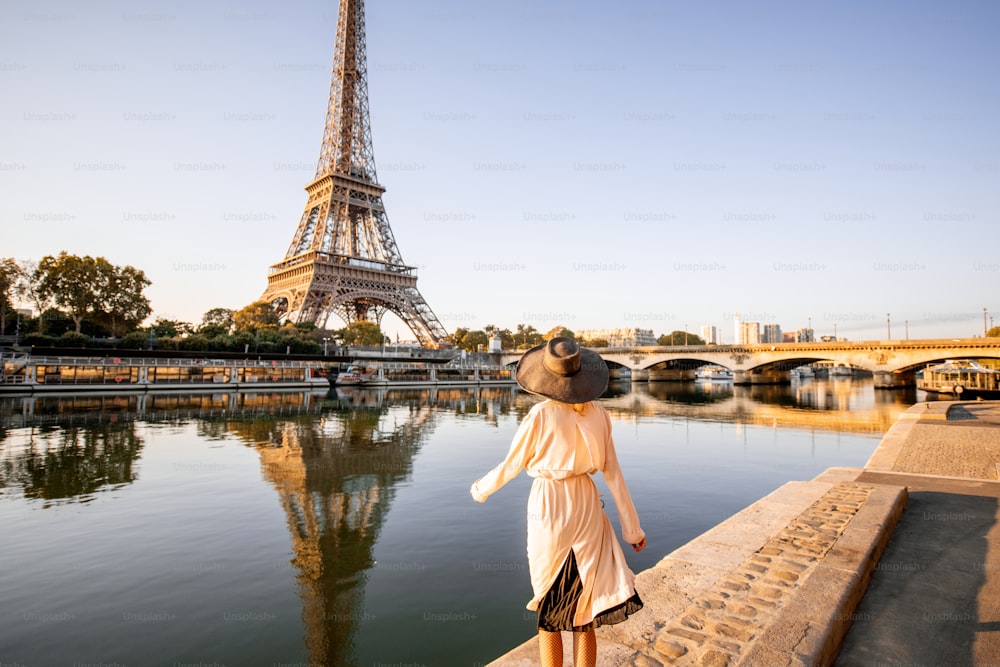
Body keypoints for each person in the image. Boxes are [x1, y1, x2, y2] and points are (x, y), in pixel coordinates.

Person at [470, 337, 646, 667]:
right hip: (587, 505)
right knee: (586, 609)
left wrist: (480, 489)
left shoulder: (540, 415)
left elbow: (512, 465)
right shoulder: (600, 415)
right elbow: (614, 475)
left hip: (549, 508)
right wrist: (633, 531)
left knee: (549, 607)